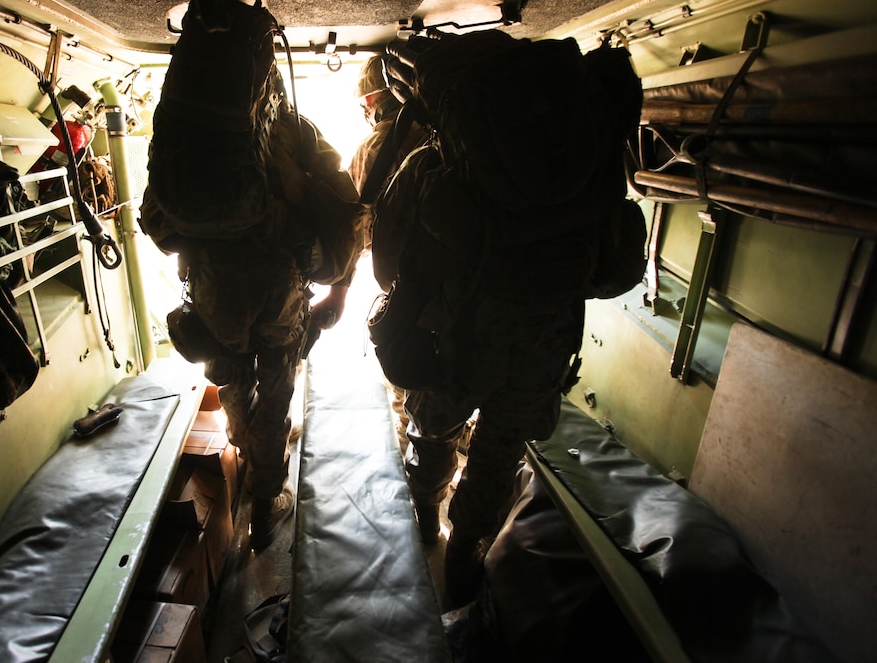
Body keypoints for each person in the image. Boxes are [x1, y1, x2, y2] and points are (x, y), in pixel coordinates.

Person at [374, 34, 603, 607]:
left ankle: (426, 515)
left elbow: (386, 262)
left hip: (460, 344)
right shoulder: (579, 172)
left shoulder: (432, 168)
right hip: (543, 349)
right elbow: (608, 267)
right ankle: (464, 554)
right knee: (499, 454)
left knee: (432, 434)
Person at [143, 66, 363, 553]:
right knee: (278, 384)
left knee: (233, 377)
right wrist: (338, 286)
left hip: (213, 285)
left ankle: (245, 452)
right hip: (278, 281)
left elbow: (157, 216)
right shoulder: (292, 127)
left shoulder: (192, 139)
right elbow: (344, 203)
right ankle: (265, 505)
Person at [347, 55, 430, 455]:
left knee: (408, 376)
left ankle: (410, 455)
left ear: (377, 99)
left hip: (404, 286)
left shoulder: (373, 147)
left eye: (365, 102)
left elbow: (356, 225)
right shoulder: (447, 131)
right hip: (463, 277)